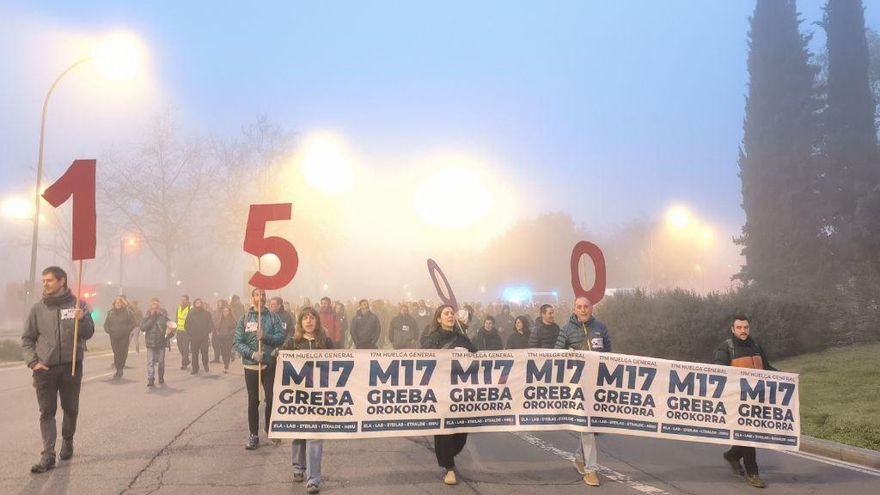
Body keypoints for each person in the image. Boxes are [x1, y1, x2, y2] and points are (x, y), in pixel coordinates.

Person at [22, 266, 95, 474]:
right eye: (43, 280)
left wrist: (82, 320)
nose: (45, 283)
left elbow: (88, 333)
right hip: (44, 369)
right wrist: (33, 362)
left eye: (49, 280)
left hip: (71, 366)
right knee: (47, 412)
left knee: (70, 408)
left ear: (62, 281)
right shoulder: (37, 309)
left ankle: (68, 440)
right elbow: (27, 339)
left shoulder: (78, 304)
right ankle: (48, 454)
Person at [715, 315, 777, 489]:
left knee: (748, 434)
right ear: (733, 329)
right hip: (736, 402)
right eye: (740, 327)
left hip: (756, 399)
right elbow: (719, 373)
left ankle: (732, 455)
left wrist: (787, 377)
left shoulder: (756, 346)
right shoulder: (726, 348)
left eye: (746, 327)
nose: (743, 331)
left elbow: (766, 368)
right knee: (748, 434)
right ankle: (753, 474)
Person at [420, 304, 478, 486]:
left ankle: (445, 455)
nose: (450, 316)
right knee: (444, 429)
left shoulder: (462, 337)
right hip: (441, 392)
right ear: (439, 319)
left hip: (460, 393)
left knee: (461, 434)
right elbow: (423, 357)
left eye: (452, 313)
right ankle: (449, 468)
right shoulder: (432, 339)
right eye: (446, 313)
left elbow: (476, 357)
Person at [555, 296, 610, 487]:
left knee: (589, 425)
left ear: (591, 308)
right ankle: (591, 469)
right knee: (586, 425)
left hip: (595, 384)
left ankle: (579, 457)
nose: (583, 310)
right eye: (579, 307)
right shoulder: (566, 329)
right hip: (576, 386)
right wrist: (567, 355)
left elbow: (609, 355)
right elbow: (556, 354)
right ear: (574, 310)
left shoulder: (601, 328)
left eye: (586, 306)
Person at [281, 307, 333, 493]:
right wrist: (273, 355)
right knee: (298, 433)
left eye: (312, 318)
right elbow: (280, 362)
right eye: (305, 318)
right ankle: (298, 467)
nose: (309, 321)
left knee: (314, 435)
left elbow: (336, 365)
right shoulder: (292, 342)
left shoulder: (326, 342)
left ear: (317, 321)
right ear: (300, 322)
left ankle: (314, 479)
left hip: (318, 395)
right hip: (298, 395)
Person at [233, 288, 285, 450]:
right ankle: (253, 434)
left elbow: (280, 337)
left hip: (269, 364)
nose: (260, 297)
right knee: (253, 401)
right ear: (252, 297)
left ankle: (270, 428)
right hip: (251, 366)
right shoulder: (245, 318)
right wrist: (252, 354)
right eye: (257, 294)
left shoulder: (273, 317)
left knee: (270, 399)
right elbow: (237, 342)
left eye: (263, 295)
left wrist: (266, 337)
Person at [140, 298, 172, 387]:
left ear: (158, 307)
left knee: (161, 362)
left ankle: (161, 377)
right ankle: (151, 379)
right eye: (153, 305)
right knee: (150, 362)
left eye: (156, 306)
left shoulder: (163, 317)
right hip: (150, 343)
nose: (154, 307)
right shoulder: (147, 317)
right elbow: (142, 327)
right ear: (150, 307)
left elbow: (171, 328)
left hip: (161, 343)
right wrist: (152, 319)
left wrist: (169, 334)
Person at [104, 296, 136, 379]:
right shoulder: (110, 312)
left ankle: (120, 369)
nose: (118, 304)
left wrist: (126, 330)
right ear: (114, 304)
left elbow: (133, 323)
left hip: (124, 336)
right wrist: (108, 330)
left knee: (122, 353)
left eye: (119, 303)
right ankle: (118, 369)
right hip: (113, 336)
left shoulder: (128, 312)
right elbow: (106, 324)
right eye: (116, 303)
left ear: (122, 304)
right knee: (116, 352)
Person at [185, 298, 213, 374]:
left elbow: (211, 324)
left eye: (199, 302)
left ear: (201, 304)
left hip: (204, 337)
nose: (198, 304)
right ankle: (195, 368)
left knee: (204, 352)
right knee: (194, 354)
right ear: (194, 304)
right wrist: (190, 333)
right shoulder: (191, 313)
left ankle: (205, 364)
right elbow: (186, 324)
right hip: (194, 337)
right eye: (196, 302)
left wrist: (207, 331)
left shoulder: (206, 313)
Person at [214, 305, 237, 373]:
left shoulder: (232, 319)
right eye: (224, 311)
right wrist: (217, 332)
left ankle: (226, 365)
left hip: (229, 338)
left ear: (229, 312)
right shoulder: (220, 319)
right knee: (223, 352)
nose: (225, 312)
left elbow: (235, 328)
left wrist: (230, 333)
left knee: (227, 351)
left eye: (227, 311)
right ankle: (225, 362)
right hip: (221, 338)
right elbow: (216, 327)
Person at [176, 295, 192, 370]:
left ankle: (184, 363)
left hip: (186, 331)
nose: (182, 301)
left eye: (184, 300)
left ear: (187, 301)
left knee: (185, 348)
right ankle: (186, 359)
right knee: (180, 346)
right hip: (179, 330)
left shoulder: (190, 308)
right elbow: (177, 318)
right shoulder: (178, 307)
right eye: (181, 300)